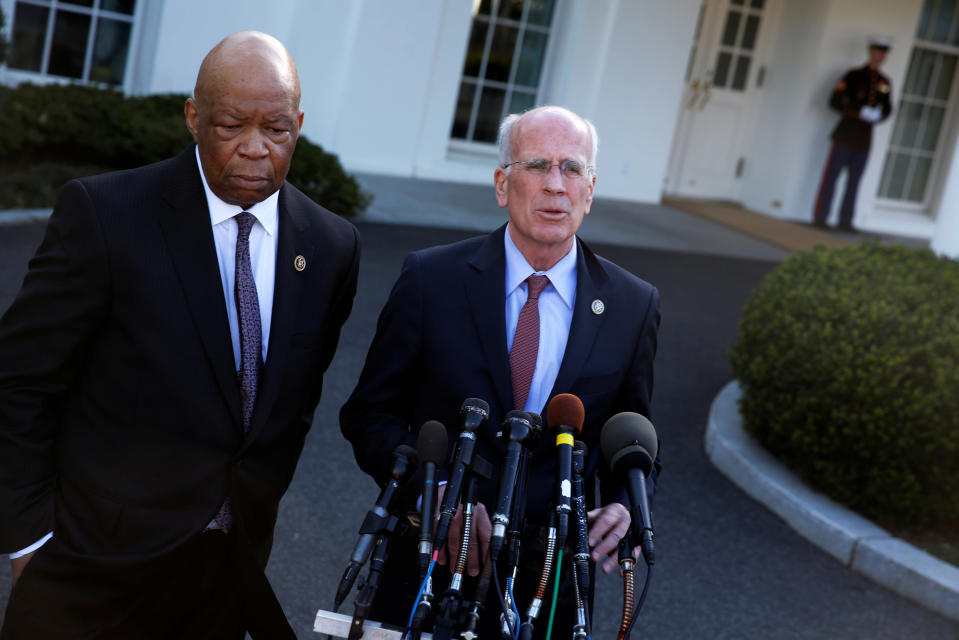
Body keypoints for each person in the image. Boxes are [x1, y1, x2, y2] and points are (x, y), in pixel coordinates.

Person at [0, 31, 360, 639]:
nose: (255, 149)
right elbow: (19, 383)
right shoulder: (107, 214)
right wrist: (31, 540)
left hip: (226, 581)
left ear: (298, 122)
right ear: (194, 118)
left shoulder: (330, 247)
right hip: (88, 572)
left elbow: (290, 408)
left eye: (276, 129)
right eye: (231, 126)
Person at [340, 105, 660, 638]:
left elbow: (633, 444)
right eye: (536, 165)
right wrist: (432, 491)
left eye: (573, 168)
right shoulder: (431, 279)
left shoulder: (632, 305)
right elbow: (371, 414)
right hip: (433, 560)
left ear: (590, 190)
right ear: (501, 183)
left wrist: (626, 506)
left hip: (552, 583)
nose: (556, 185)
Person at [812, 36, 894, 232]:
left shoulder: (884, 81)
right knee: (832, 176)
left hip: (864, 139)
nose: (880, 56)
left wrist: (877, 116)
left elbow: (888, 108)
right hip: (845, 134)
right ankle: (821, 216)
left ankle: (845, 220)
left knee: (854, 181)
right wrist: (859, 112)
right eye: (877, 51)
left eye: (884, 53)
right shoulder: (853, 75)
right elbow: (835, 101)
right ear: (870, 52)